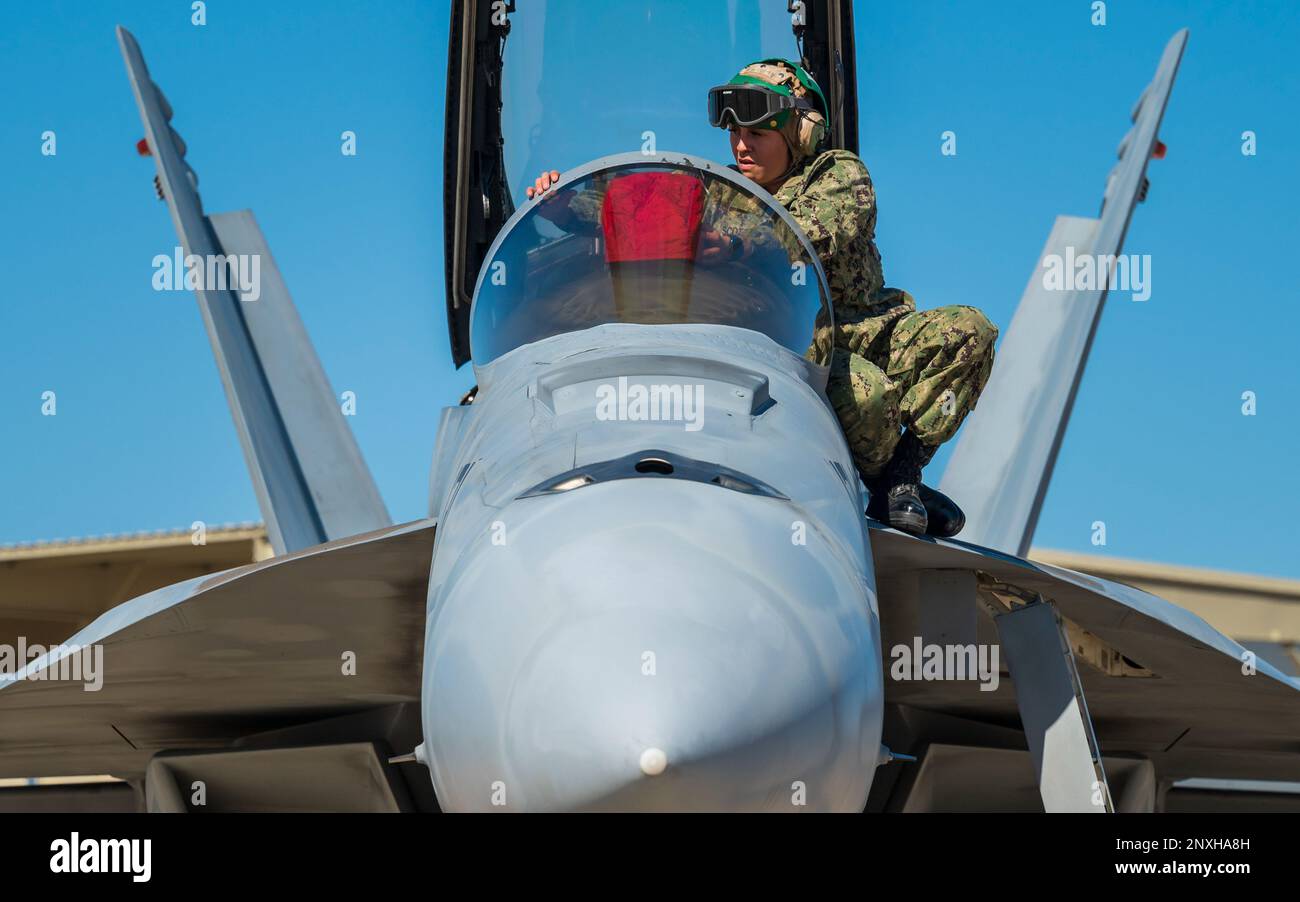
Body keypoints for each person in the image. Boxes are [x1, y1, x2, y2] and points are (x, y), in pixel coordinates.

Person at [524, 59, 998, 537]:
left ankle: (902, 476)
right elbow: (638, 214)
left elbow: (814, 232)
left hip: (867, 329)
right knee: (867, 398)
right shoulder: (717, 190)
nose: (741, 146)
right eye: (734, 134)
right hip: (803, 349)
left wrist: (738, 246)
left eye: (758, 136)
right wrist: (565, 203)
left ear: (801, 136)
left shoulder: (839, 174)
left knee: (968, 332)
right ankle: (878, 481)